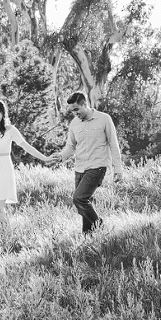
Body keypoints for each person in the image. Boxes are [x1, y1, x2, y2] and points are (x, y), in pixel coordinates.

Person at [0, 98, 49, 246]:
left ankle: (8, 236)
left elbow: (27, 147)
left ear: (3, 114)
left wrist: (44, 158)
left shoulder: (10, 130)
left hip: (4, 169)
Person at [48, 91, 123, 235]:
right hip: (80, 168)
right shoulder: (74, 124)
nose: (75, 113)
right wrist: (60, 157)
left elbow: (114, 144)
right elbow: (71, 147)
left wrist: (118, 169)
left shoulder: (104, 119)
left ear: (85, 104)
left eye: (77, 109)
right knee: (84, 205)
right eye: (72, 111)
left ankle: (99, 225)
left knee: (79, 198)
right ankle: (88, 237)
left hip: (98, 166)